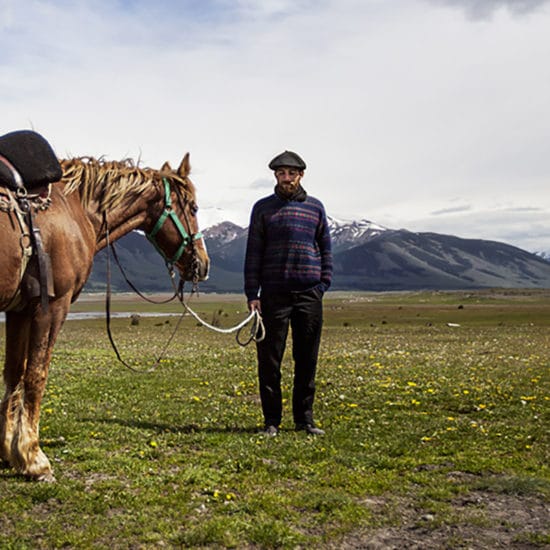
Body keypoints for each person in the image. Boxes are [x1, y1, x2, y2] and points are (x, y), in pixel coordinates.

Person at [244, 150, 333, 436]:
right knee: (269, 361)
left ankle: (305, 420)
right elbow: (253, 252)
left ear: (301, 175)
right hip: (273, 295)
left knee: (307, 359)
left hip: (309, 294)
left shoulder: (316, 208)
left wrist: (323, 285)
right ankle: (272, 421)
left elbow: (326, 248)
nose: (286, 178)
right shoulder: (262, 208)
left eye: (291, 173)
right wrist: (252, 293)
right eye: (281, 173)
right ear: (275, 176)